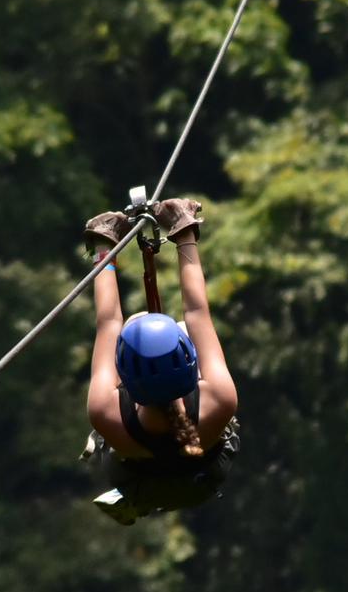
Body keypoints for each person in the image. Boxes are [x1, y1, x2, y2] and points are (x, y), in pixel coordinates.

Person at [80, 198, 240, 524]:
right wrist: (184, 229)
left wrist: (104, 248)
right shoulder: (219, 399)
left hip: (137, 476)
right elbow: (196, 313)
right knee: (180, 325)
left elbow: (109, 321)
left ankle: (138, 497)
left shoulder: (105, 410)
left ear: (123, 375)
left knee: (131, 328)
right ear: (190, 365)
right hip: (202, 473)